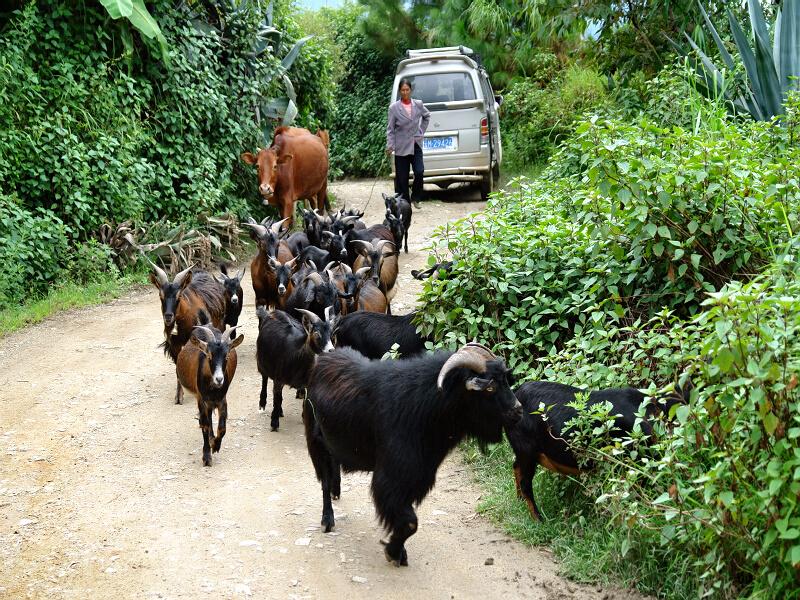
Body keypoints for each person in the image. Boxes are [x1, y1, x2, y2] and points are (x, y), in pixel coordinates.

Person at [386, 78, 430, 208]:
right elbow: (390, 129)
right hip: (401, 146)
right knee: (402, 178)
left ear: (411, 90)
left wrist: (421, 131)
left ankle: (416, 197)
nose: (405, 92)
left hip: (415, 144)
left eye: (407, 90)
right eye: (403, 90)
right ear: (400, 91)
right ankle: (405, 204)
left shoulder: (418, 104)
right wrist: (390, 145)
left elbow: (427, 116)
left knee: (419, 171)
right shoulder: (394, 108)